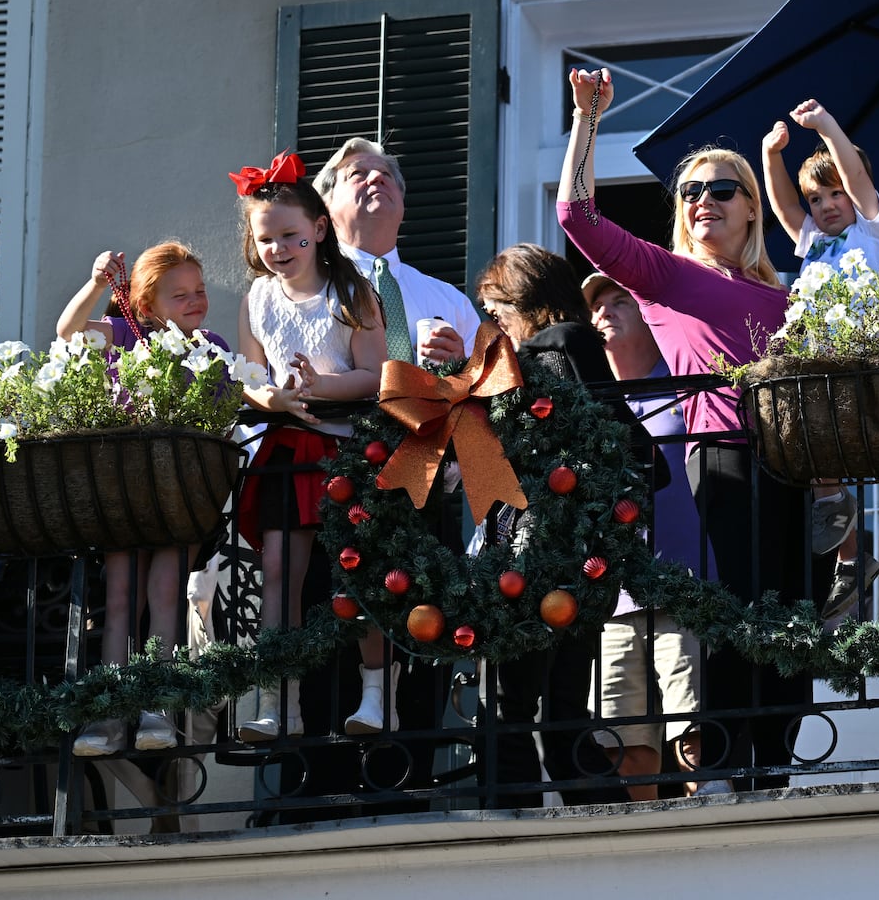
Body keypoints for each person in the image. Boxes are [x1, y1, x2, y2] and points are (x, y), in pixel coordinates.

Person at [559, 66, 814, 792]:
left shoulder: (784, 293)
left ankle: (774, 764)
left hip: (788, 464)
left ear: (752, 209)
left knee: (788, 618)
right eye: (692, 191)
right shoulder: (665, 275)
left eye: (722, 188)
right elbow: (578, 220)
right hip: (721, 459)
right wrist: (587, 121)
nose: (704, 199)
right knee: (735, 617)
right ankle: (731, 766)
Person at [231, 152, 389, 741]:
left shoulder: (353, 291)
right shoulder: (257, 299)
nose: (278, 249)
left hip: (348, 447)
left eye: (291, 236)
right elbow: (249, 376)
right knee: (278, 573)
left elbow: (377, 376)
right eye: (266, 238)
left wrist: (322, 387)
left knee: (356, 571)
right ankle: (280, 702)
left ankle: (376, 694)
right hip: (287, 447)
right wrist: (272, 399)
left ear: (319, 229)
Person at [473, 245, 632, 807]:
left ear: (524, 301)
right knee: (558, 694)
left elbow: (614, 436)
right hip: (562, 544)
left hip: (543, 545)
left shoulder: (557, 343)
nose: (494, 327)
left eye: (495, 313)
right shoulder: (546, 351)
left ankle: (511, 806)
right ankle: (590, 805)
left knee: (514, 694)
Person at [57, 242, 229, 756]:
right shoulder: (127, 333)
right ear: (148, 306)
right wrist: (95, 282)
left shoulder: (211, 343)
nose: (195, 301)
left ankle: (155, 706)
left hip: (178, 495)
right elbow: (67, 332)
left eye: (199, 291)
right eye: (180, 296)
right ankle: (110, 714)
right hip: (126, 492)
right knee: (119, 602)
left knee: (163, 595)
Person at [584, 272, 720, 798]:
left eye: (620, 301)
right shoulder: (586, 400)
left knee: (693, 734)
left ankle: (706, 848)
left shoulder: (684, 380)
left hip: (682, 584)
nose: (605, 313)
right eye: (596, 307)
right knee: (625, 741)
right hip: (612, 595)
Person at [763, 98, 879, 615]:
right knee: (813, 441)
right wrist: (770, 155)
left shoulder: (873, 229)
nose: (826, 205)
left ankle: (842, 535)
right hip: (821, 358)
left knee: (823, 443)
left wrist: (824, 126)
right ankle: (850, 556)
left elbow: (856, 174)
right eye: (817, 198)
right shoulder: (813, 239)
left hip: (864, 356)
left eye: (835, 192)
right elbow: (780, 206)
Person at [313, 138, 481, 364]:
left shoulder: (452, 302)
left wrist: (461, 364)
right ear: (326, 206)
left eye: (386, 174)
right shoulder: (306, 293)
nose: (376, 177)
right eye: (358, 173)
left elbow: (484, 387)